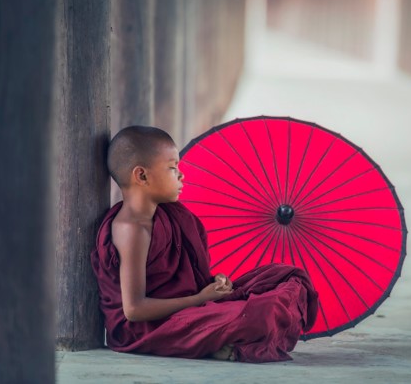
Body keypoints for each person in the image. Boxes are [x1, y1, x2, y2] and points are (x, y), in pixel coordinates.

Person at [91, 126, 318, 363]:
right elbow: (134, 310)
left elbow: (185, 279)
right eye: (172, 168)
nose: (181, 175)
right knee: (264, 312)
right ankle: (214, 342)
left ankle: (215, 340)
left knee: (287, 276)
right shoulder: (132, 230)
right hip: (148, 329)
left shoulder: (166, 214)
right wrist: (200, 298)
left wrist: (214, 284)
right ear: (142, 176)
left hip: (185, 308)